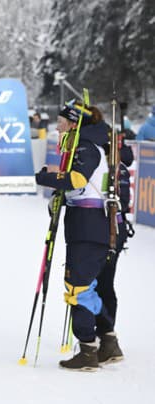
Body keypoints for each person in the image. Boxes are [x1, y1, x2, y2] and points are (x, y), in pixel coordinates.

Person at [35, 101, 120, 371]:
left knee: (77, 290)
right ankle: (107, 341)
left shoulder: (85, 145)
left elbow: (77, 180)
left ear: (74, 124)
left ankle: (88, 351)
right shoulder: (84, 144)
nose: (57, 129)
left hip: (88, 227)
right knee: (84, 288)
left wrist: (47, 178)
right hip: (86, 226)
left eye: (61, 123)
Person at [93, 131, 135, 364]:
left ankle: (108, 336)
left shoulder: (114, 169)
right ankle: (104, 335)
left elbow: (120, 203)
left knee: (102, 284)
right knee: (101, 283)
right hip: (107, 233)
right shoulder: (112, 167)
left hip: (110, 233)